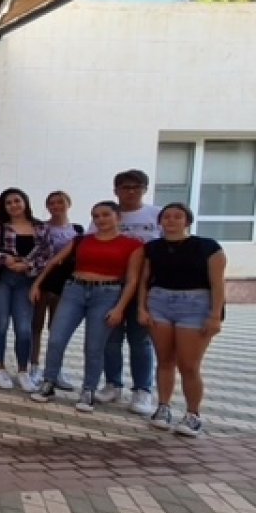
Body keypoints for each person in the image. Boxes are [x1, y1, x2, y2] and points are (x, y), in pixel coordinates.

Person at [30, 201, 144, 412]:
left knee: (94, 346)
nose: (100, 219)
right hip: (74, 290)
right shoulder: (82, 240)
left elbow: (132, 280)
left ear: (118, 217)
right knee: (56, 338)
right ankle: (48, 382)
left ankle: (88, 390)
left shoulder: (133, 245)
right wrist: (37, 284)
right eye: (96, 216)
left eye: (106, 215)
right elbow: (54, 261)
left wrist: (120, 308)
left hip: (107, 294)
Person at [139, 204, 225, 437]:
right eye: (166, 216)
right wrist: (142, 308)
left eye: (178, 216)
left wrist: (215, 315)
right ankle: (163, 407)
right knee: (165, 360)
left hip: (195, 306)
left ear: (187, 221)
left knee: (189, 365)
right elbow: (145, 280)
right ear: (160, 221)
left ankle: (193, 414)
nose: (171, 220)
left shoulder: (208, 247)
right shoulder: (152, 248)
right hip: (160, 303)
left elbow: (218, 284)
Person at [0, 188, 53, 392]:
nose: (14, 205)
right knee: (1, 324)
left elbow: (48, 255)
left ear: (25, 202)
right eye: (8, 203)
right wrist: (5, 259)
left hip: (26, 281)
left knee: (24, 327)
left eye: (17, 201)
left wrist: (28, 266)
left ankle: (23, 371)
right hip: (0, 280)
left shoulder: (41, 228)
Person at [98, 169, 162, 416]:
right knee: (111, 338)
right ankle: (113, 384)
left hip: (145, 287)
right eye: (125, 187)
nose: (131, 192)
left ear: (145, 189)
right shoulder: (106, 214)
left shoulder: (156, 214)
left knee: (140, 340)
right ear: (116, 191)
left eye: (136, 187)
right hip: (111, 286)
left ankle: (143, 390)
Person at [29, 191, 82, 389]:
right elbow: (34, 254)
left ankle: (55, 370)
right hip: (42, 279)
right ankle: (33, 367)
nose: (56, 206)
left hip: (65, 282)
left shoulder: (77, 230)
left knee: (57, 328)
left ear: (68, 204)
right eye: (51, 203)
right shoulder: (41, 228)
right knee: (36, 325)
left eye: (60, 202)